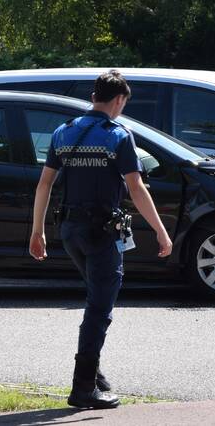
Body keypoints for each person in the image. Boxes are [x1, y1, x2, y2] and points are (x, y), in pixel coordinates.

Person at [30, 70, 173, 410]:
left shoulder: (64, 132)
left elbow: (45, 184)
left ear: (94, 96)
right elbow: (136, 188)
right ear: (119, 100)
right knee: (99, 308)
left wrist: (37, 232)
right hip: (101, 232)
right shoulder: (118, 136)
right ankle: (83, 389)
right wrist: (161, 231)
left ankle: (94, 376)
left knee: (96, 297)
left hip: (69, 231)